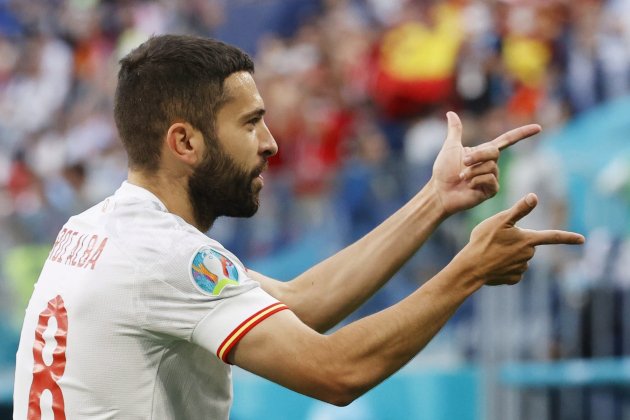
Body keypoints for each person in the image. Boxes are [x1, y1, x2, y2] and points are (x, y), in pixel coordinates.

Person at [12, 34, 584, 419]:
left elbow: (299, 302)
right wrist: (468, 270)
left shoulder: (100, 229)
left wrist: (435, 199)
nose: (271, 143)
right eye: (250, 124)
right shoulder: (165, 257)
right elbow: (337, 372)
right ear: (184, 142)